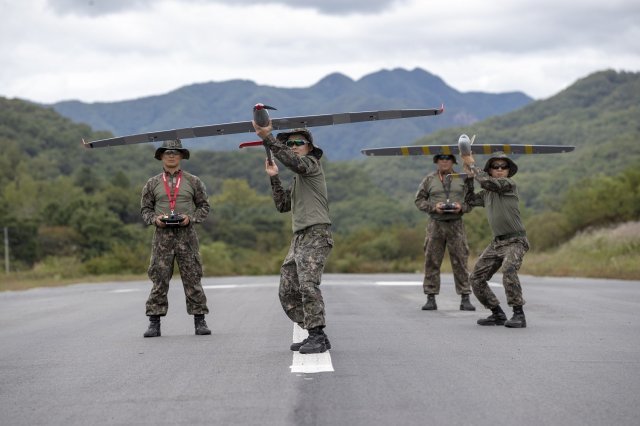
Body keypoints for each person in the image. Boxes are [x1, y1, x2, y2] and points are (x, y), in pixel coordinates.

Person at [252, 122, 333, 354]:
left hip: (316, 232)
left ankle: (317, 335)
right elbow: (282, 205)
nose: (294, 147)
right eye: (290, 144)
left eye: (299, 143)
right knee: (287, 289)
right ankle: (314, 331)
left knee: (307, 284)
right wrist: (274, 177)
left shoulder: (310, 165)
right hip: (299, 237)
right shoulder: (299, 179)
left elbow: (294, 162)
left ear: (309, 148)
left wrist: (268, 137)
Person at [140, 139, 212, 337]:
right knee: (159, 279)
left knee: (192, 277)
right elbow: (145, 209)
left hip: (186, 235)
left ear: (181, 156)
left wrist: (191, 218)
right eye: (167, 152)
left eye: (175, 152)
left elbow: (204, 206)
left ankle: (200, 320)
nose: (171, 155)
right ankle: (154, 322)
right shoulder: (152, 183)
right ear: (161, 156)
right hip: (162, 237)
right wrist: (155, 220)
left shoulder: (193, 181)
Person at [462, 153, 529, 328]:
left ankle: (518, 314)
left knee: (509, 270)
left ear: (508, 171)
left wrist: (472, 164)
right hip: (497, 243)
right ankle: (497, 314)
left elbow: (486, 182)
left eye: (503, 167)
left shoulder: (509, 184)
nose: (499, 169)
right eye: (495, 166)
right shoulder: (486, 194)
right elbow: (469, 201)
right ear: (490, 170)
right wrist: (469, 179)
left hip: (515, 240)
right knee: (476, 278)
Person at [415, 154, 476, 311]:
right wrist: (433, 207)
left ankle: (465, 297)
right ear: (436, 161)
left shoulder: (462, 178)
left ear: (453, 162)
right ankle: (430, 297)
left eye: (448, 158)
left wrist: (461, 207)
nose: (444, 161)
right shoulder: (429, 180)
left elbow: (471, 201)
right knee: (432, 260)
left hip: (456, 224)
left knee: (460, 260)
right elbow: (419, 201)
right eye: (440, 158)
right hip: (435, 224)